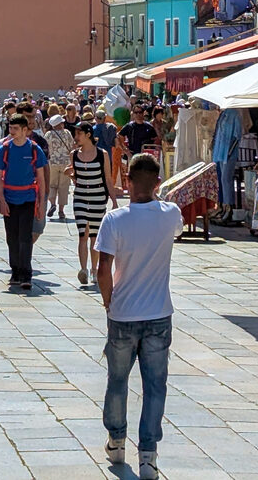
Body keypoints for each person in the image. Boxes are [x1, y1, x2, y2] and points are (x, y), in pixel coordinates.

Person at [95, 153, 184, 480]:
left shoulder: (114, 220)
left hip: (123, 313)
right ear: (158, 183)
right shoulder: (170, 214)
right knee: (155, 385)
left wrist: (108, 302)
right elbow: (175, 226)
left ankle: (117, 440)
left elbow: (103, 269)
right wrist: (154, 193)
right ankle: (148, 455)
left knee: (118, 380)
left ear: (127, 181)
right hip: (159, 313)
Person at [0, 113, 48, 290]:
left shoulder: (34, 150)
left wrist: (42, 203)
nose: (12, 131)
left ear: (24, 130)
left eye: (15, 128)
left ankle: (26, 273)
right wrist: (1, 200)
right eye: (10, 128)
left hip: (28, 198)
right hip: (9, 199)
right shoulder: (4, 149)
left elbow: (41, 178)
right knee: (12, 237)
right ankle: (15, 270)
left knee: (25, 237)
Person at [72, 122, 118, 286]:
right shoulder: (74, 154)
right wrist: (70, 174)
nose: (76, 137)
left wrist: (114, 200)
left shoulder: (102, 154)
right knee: (82, 233)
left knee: (94, 235)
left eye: (79, 134)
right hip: (80, 196)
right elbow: (76, 176)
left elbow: (107, 178)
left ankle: (94, 269)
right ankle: (83, 269)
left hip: (98, 196)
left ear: (88, 134)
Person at [43, 115, 75, 219]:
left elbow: (45, 148)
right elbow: (72, 146)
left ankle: (52, 204)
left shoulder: (48, 134)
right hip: (66, 163)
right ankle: (61, 211)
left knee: (51, 185)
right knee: (64, 186)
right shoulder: (67, 133)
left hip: (52, 162)